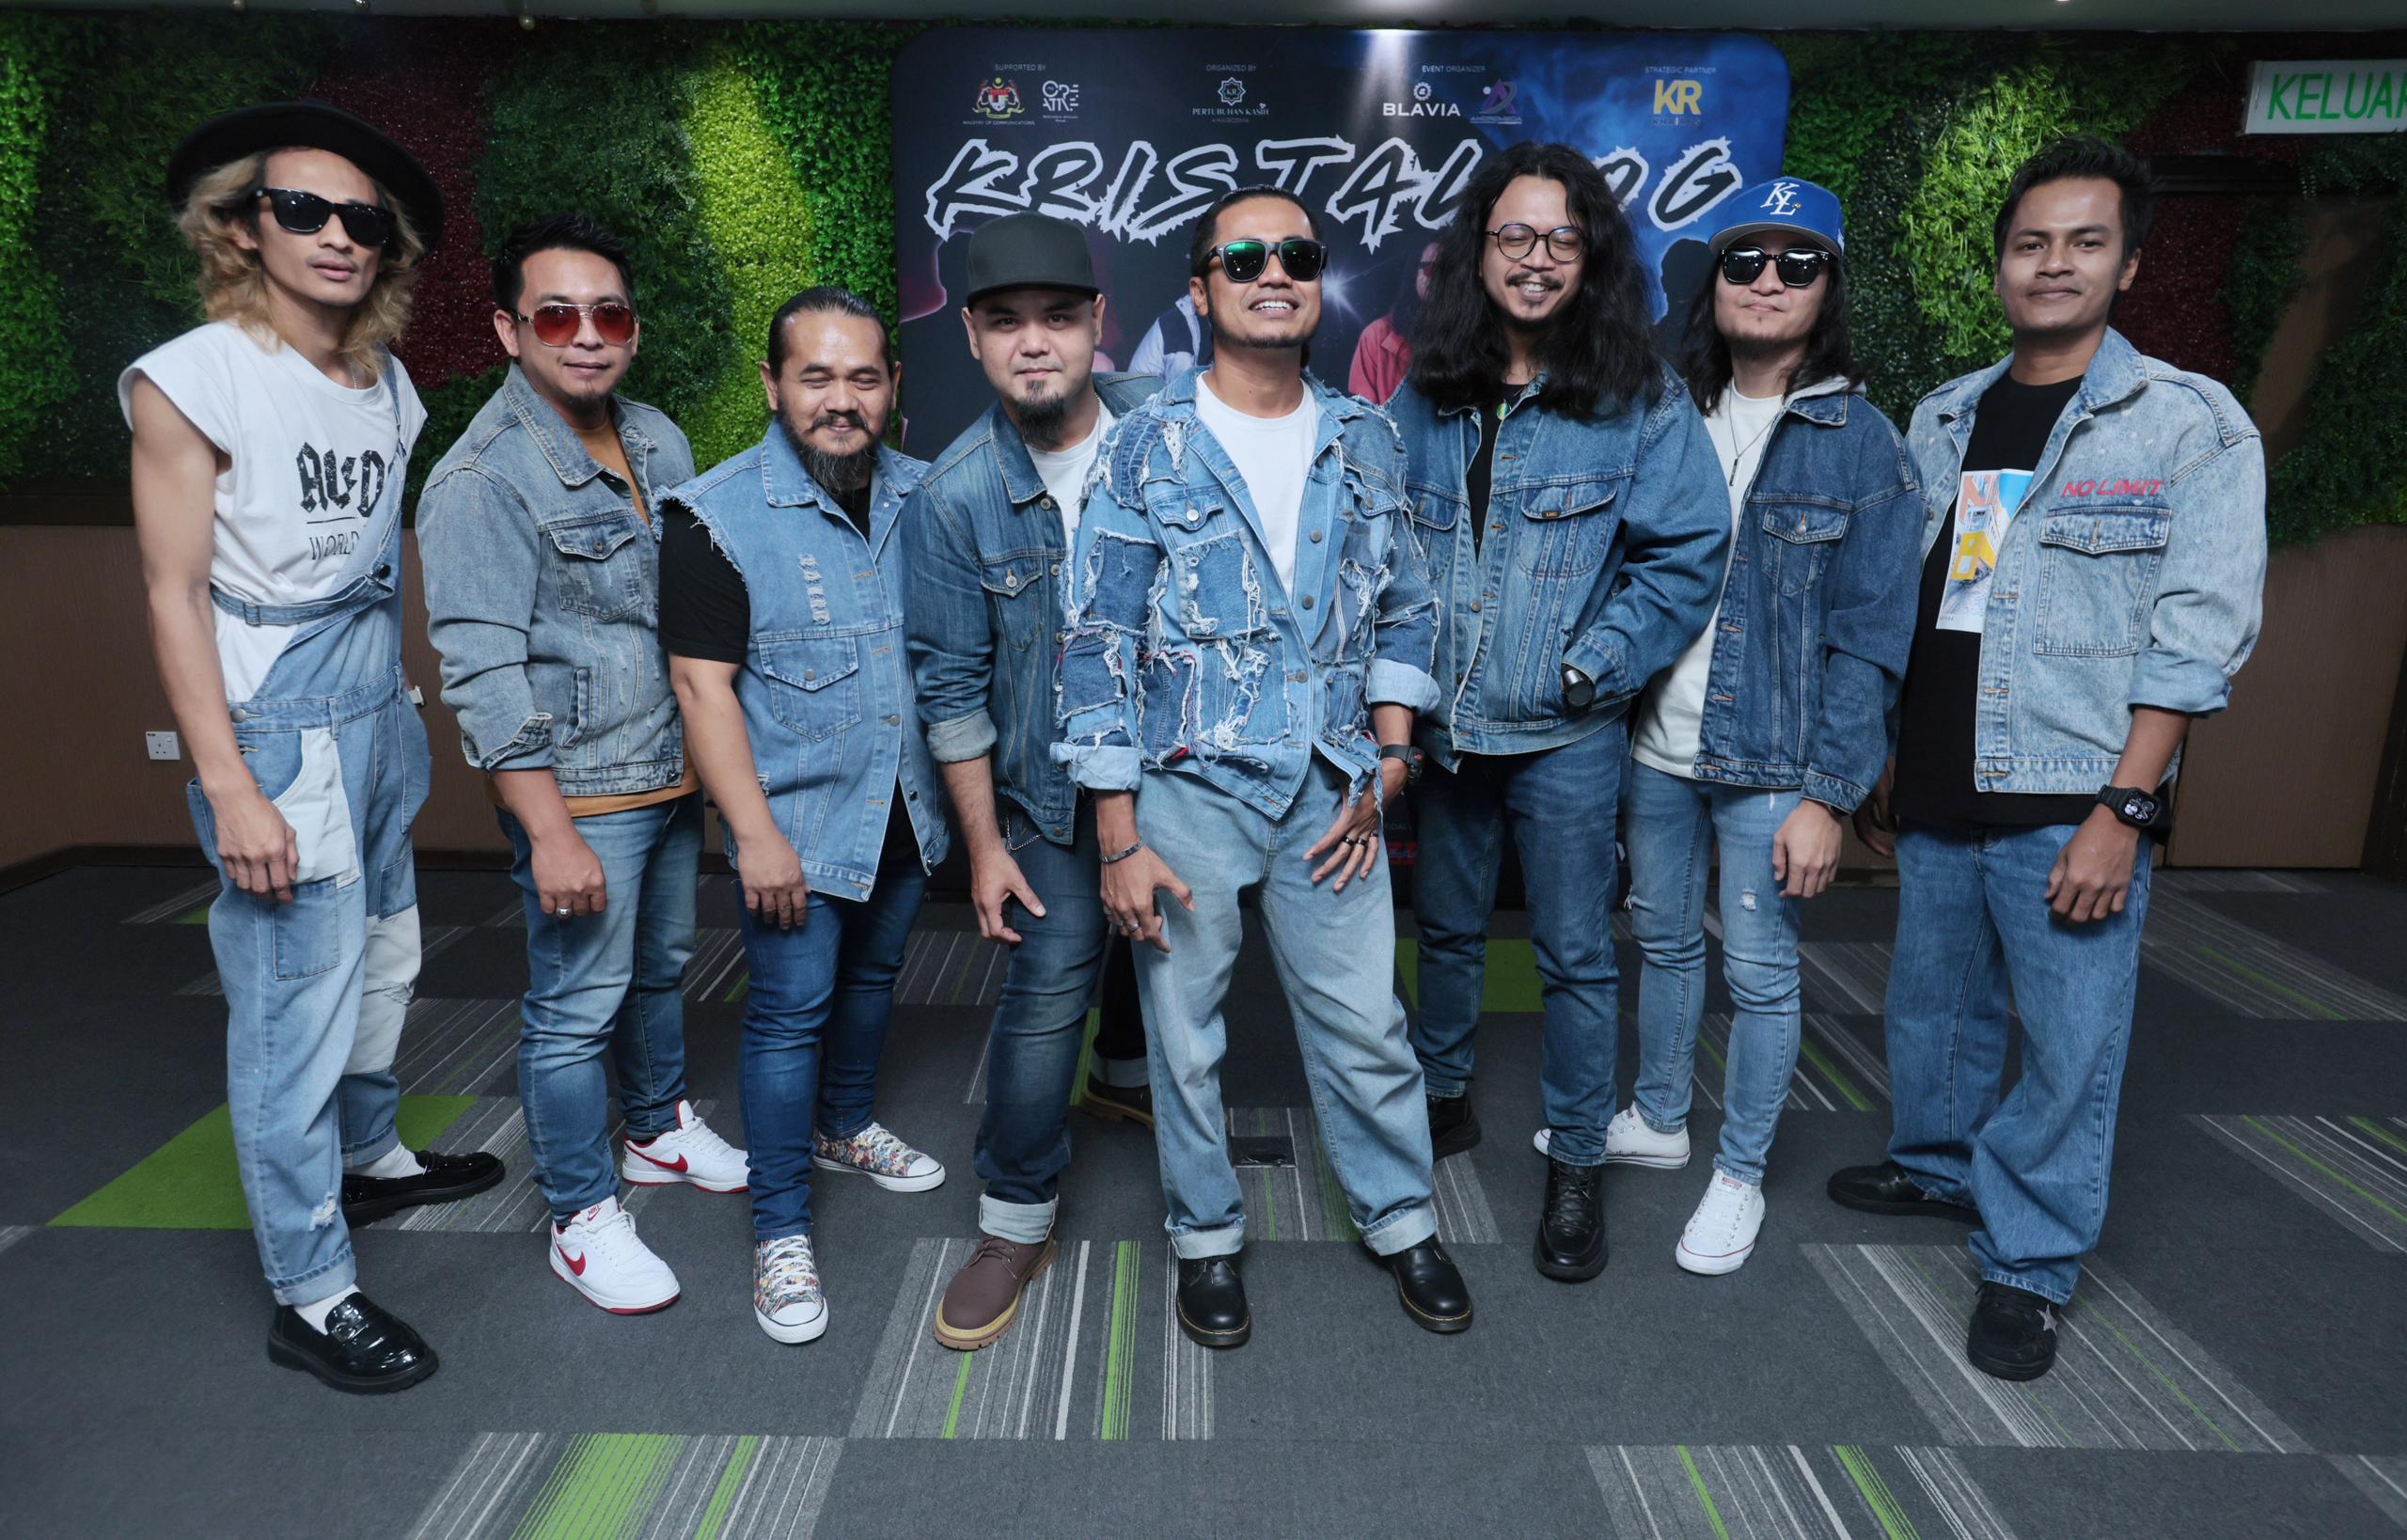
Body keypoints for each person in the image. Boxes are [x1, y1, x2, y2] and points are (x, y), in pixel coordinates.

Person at [1827, 137, 2267, 1380]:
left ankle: (2028, 1260)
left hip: (2075, 791)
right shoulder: (1948, 413)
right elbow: (1936, 598)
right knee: (1932, 1003)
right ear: (2002, 266)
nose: (2053, 264)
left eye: (2084, 242)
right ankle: (1937, 1165)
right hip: (1941, 774)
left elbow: (2199, 636)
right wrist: (1892, 752)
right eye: (2031, 243)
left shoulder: (2187, 424)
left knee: (2072, 1040)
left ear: (2128, 265)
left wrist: (2126, 808)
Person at [123, 101, 501, 1393]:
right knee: (294, 1010)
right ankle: (311, 1287)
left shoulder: (385, 381)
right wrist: (229, 782)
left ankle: (370, 1158)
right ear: (243, 226)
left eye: (363, 220)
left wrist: (399, 705)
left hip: (375, 711)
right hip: (278, 730)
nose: (337, 235)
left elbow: (367, 564)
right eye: (304, 210)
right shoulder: (195, 376)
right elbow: (174, 593)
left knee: (386, 957)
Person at [1058, 185, 1472, 1347]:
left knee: (1367, 1024)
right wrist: (1117, 836)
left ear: (1317, 279)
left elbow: (1405, 607)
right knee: (1185, 1038)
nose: (1272, 272)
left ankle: (1402, 1219)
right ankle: (1204, 1237)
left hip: (1334, 788)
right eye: (1242, 258)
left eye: (1295, 254)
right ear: (1201, 290)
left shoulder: (1366, 437)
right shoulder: (1145, 443)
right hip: (1186, 787)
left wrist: (1393, 759)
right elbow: (1096, 640)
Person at [1385, 141, 1728, 1282]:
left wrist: (1592, 668)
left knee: (1576, 954)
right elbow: (1383, 549)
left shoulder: (1638, 397)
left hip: (1566, 734)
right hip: (1445, 729)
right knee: (1443, 930)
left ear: (1591, 258)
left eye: (1561, 239)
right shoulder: (1424, 392)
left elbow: (1687, 552)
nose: (1536, 259)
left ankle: (1576, 1156)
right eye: (1515, 236)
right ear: (1478, 252)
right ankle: (1442, 1096)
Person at [418, 213, 747, 1317]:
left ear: (634, 329)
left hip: (668, 770)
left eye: (608, 313)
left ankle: (655, 1129)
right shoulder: (481, 479)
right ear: (509, 330)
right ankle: (579, 1214)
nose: (588, 334)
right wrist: (549, 830)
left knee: (659, 970)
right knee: (572, 1010)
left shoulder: (658, 439)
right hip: (581, 793)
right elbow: (483, 675)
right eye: (556, 316)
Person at [1612, 179, 1921, 1275]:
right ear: (1715, 283)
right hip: (1654, 750)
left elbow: (1871, 638)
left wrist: (1828, 797)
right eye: (1745, 260)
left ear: (1829, 288)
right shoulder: (1664, 414)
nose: (1767, 282)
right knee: (1657, 941)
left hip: (1774, 765)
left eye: (1798, 263)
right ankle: (1660, 1118)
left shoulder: (1863, 444)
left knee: (1760, 974)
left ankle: (1737, 1173)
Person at [660, 288, 950, 1344]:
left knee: (873, 979)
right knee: (789, 1013)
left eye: (863, 377)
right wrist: (754, 836)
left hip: (908, 806)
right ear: (773, 386)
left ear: (892, 387)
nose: (841, 399)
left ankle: (845, 1126)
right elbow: (701, 688)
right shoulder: (716, 515)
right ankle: (780, 1229)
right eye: (815, 376)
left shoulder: (932, 495)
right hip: (795, 822)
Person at [904, 213, 1162, 1351]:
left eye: (1058, 316)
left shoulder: (1173, 431)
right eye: (1005, 322)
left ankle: (1125, 1072)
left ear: (1098, 323)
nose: (1034, 342)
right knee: (1049, 983)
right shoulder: (954, 496)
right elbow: (952, 689)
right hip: (1049, 794)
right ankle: (1014, 1218)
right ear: (971, 335)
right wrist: (985, 848)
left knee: (1174, 949)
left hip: (1180, 769)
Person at [1347, 240, 1437, 405]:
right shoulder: (1375, 336)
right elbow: (1362, 414)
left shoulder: (1479, 336)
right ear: (1414, 272)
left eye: (1448, 269)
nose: (1438, 277)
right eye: (1430, 268)